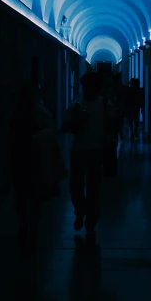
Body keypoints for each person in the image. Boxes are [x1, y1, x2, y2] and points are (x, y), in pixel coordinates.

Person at [8, 81, 66, 250]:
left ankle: (25, 226)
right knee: (33, 198)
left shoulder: (17, 114)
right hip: (32, 160)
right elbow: (50, 136)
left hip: (24, 160)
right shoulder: (40, 113)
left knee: (25, 197)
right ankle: (30, 229)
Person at [62, 72, 115, 236]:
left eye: (90, 87)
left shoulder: (105, 104)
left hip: (94, 151)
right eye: (85, 87)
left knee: (92, 188)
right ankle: (81, 210)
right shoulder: (76, 104)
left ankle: (89, 218)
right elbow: (65, 127)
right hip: (79, 150)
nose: (87, 90)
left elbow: (114, 122)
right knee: (76, 186)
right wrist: (76, 120)